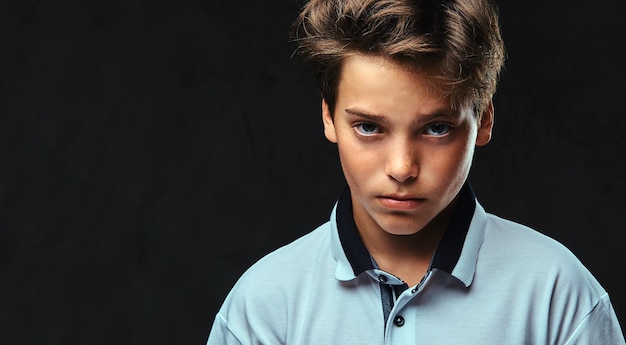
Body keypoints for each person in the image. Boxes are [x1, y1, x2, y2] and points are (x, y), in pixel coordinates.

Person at [206, 0, 625, 343]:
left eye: (436, 128)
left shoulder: (559, 296)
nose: (402, 168)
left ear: (484, 119)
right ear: (329, 117)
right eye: (369, 127)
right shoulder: (263, 306)